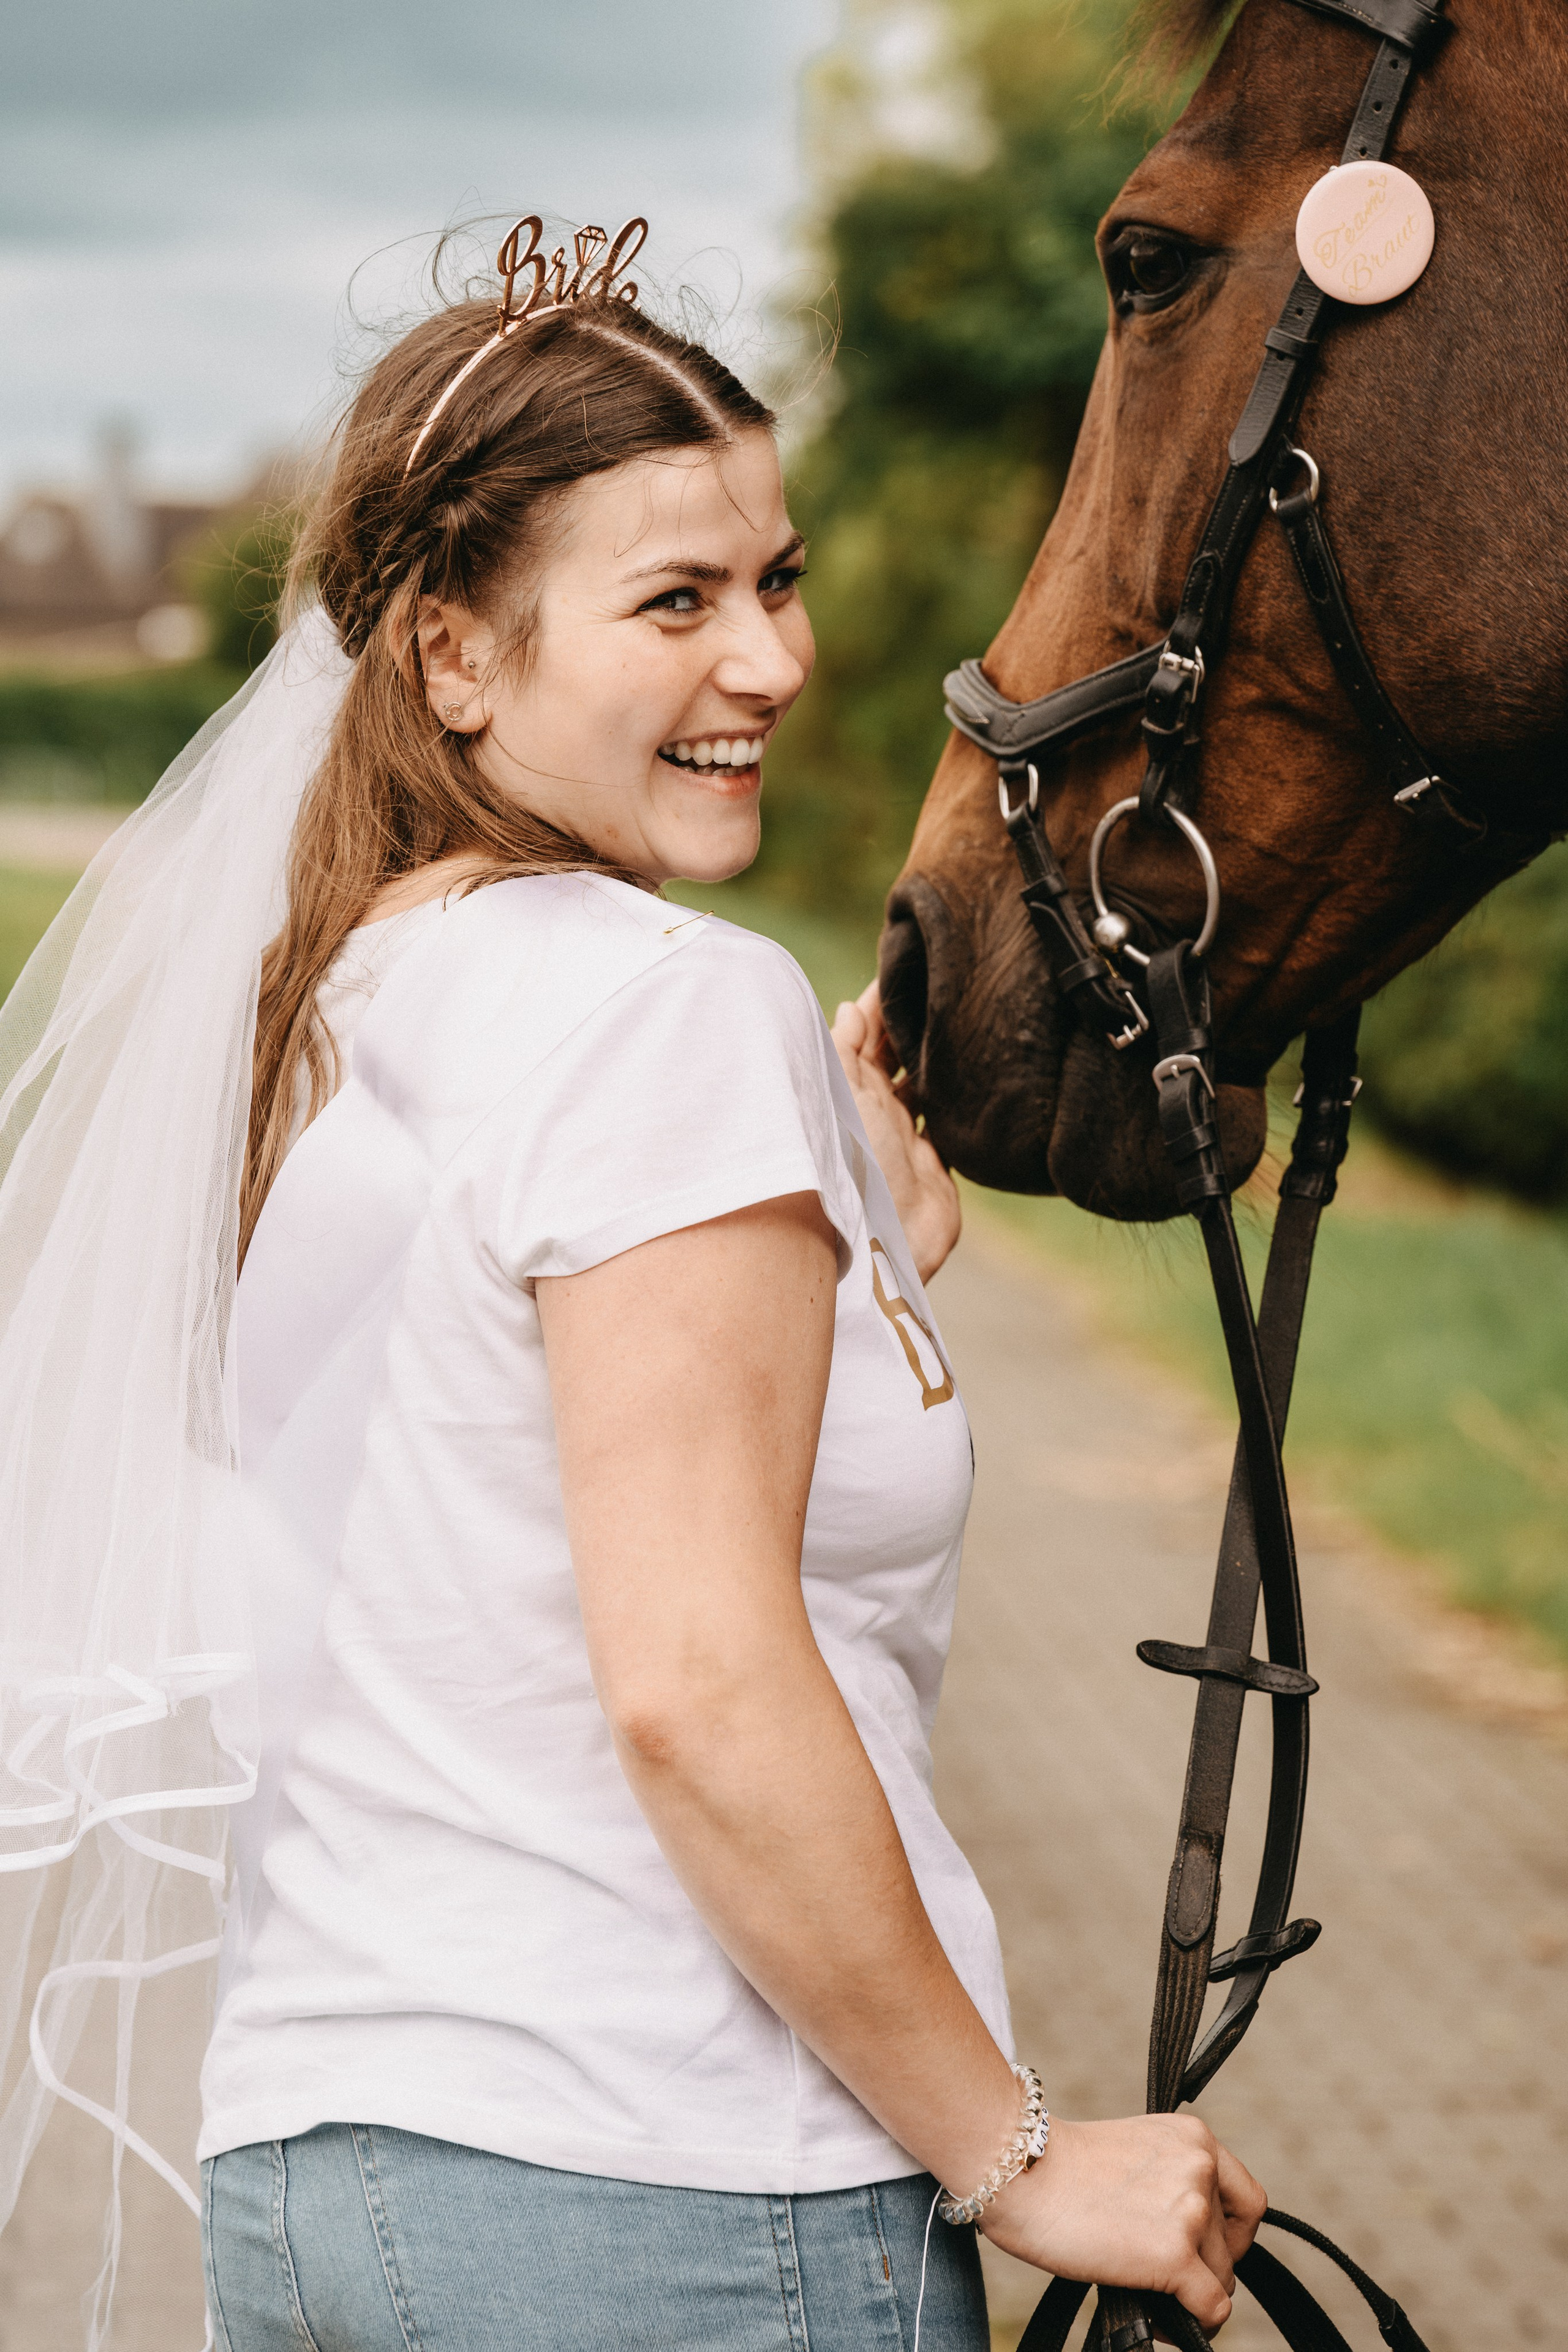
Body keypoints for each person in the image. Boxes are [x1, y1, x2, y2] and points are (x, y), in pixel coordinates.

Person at [0, 222, 1263, 2352]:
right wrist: (1019, 2153)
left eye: (771, 579)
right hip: (673, 2198)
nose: (768, 661)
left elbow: (476, 1536)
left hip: (320, 2185)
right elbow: (692, 1679)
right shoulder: (666, 1008)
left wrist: (864, 1253)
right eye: (675, 600)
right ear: (453, 656)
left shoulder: (337, 1003)